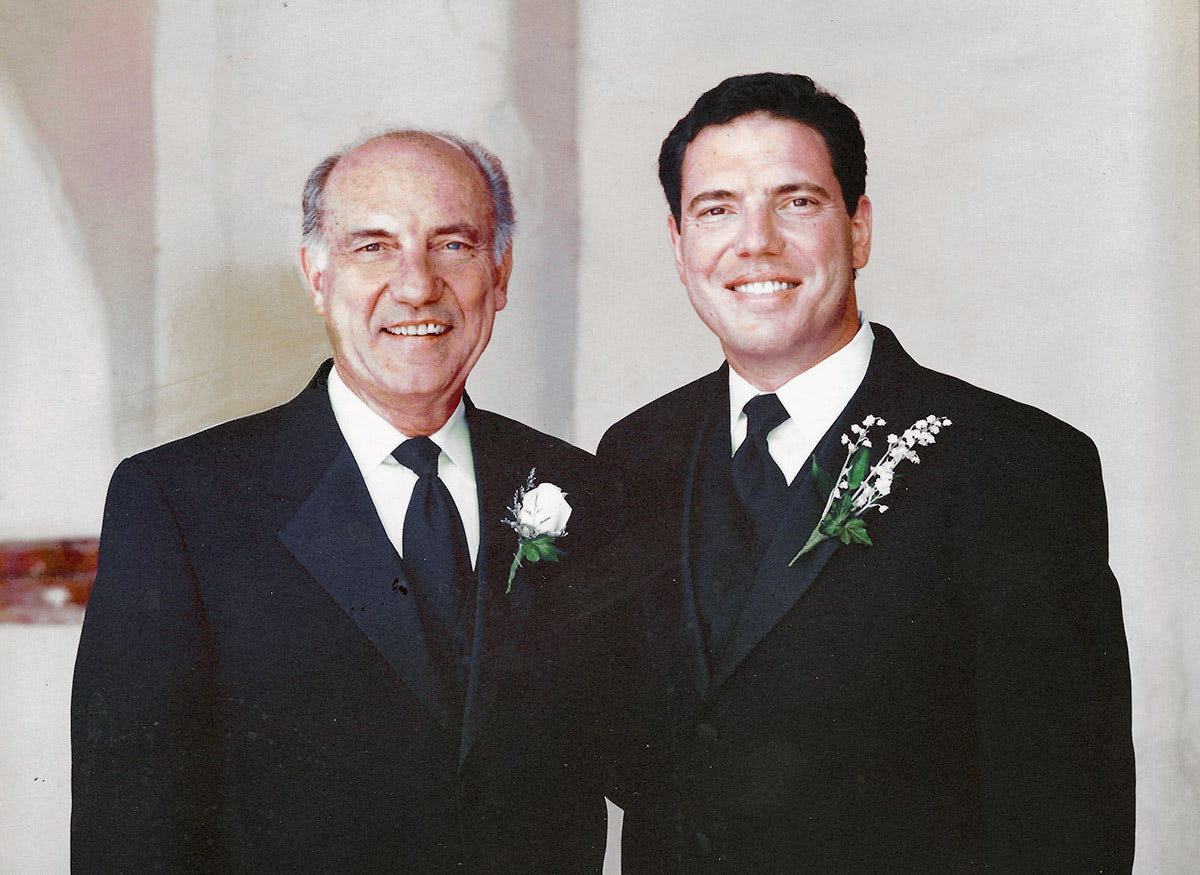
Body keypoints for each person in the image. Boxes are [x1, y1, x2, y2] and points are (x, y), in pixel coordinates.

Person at [596, 73, 1135, 872]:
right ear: (679, 247)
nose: (756, 242)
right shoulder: (635, 455)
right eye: (716, 209)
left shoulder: (1015, 464)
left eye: (797, 202)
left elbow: (1065, 822)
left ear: (859, 230)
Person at [72, 130, 605, 872]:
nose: (417, 285)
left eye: (453, 245)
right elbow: (126, 838)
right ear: (316, 276)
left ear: (501, 270)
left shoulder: (582, 486)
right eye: (373, 247)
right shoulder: (181, 503)